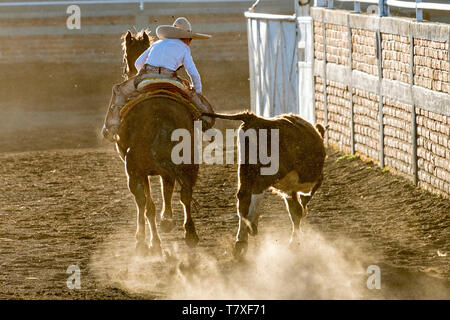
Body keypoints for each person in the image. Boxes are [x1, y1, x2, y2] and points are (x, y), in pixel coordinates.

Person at [104, 17, 214, 139]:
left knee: (118, 91)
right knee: (197, 101)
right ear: (187, 38)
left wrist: (142, 77)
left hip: (147, 75)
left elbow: (137, 63)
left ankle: (111, 127)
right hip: (170, 79)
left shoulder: (157, 43)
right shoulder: (184, 48)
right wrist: (198, 93)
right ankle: (206, 123)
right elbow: (194, 74)